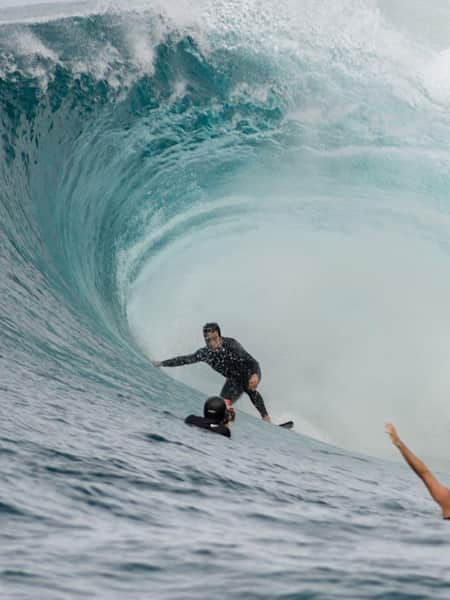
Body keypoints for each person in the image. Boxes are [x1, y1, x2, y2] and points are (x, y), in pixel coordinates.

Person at [152, 322, 271, 422]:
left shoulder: (231, 345)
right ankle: (225, 422)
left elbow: (252, 362)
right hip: (232, 381)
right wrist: (162, 363)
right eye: (208, 340)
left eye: (215, 339)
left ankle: (266, 418)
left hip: (249, 374)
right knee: (221, 404)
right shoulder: (205, 354)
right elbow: (184, 360)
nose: (212, 343)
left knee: (249, 388)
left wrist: (255, 375)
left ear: (220, 336)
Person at [385, 423, 450, 519]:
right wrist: (398, 443)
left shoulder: (447, 500)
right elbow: (424, 473)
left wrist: (398, 443)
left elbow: (424, 474)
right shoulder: (447, 499)